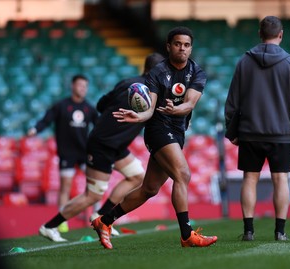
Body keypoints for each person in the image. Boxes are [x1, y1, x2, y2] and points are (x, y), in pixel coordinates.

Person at [92, 26, 218, 249]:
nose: (182, 49)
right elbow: (149, 110)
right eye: (178, 44)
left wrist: (176, 111)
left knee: (148, 189)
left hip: (177, 130)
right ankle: (187, 235)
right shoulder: (156, 73)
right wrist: (138, 115)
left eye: (187, 45)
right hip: (158, 129)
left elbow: (189, 104)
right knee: (183, 174)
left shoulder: (197, 72)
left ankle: (105, 221)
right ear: (169, 46)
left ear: (191, 48)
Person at [38, 53, 165, 242]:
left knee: (137, 176)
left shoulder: (126, 83)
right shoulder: (153, 92)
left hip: (116, 144)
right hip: (103, 145)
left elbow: (101, 104)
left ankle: (102, 215)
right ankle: (50, 226)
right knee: (92, 194)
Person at [224, 16, 290, 241]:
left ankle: (248, 231)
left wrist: (231, 131)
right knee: (280, 179)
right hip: (281, 133)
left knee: (249, 178)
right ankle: (280, 232)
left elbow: (232, 100)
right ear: (280, 34)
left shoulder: (244, 61)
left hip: (250, 132)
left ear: (260, 34)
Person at [27, 74, 99, 233]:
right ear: (73, 86)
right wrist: (36, 129)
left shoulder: (89, 108)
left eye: (85, 86)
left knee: (95, 183)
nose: (83, 89)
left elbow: (99, 126)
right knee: (65, 187)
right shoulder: (61, 106)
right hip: (67, 154)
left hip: (84, 153)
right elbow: (46, 120)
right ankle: (62, 220)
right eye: (80, 85)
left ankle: (98, 216)